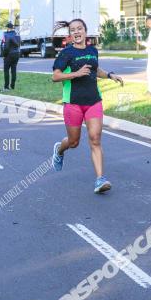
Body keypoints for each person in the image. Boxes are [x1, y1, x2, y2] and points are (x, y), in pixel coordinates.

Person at [50, 19, 124, 194]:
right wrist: (76, 74)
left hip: (93, 101)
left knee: (95, 139)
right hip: (73, 102)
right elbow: (55, 76)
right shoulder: (66, 53)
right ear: (70, 34)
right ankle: (59, 149)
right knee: (74, 142)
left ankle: (100, 179)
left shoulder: (92, 51)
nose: (77, 32)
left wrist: (110, 75)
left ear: (85, 31)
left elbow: (95, 70)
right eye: (73, 30)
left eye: (79, 29)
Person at [0, 22, 21, 93]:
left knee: (6, 70)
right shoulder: (17, 34)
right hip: (17, 54)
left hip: (9, 54)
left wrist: (4, 55)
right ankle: (12, 85)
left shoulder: (6, 35)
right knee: (13, 69)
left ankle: (6, 86)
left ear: (8, 28)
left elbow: (5, 46)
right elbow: (19, 44)